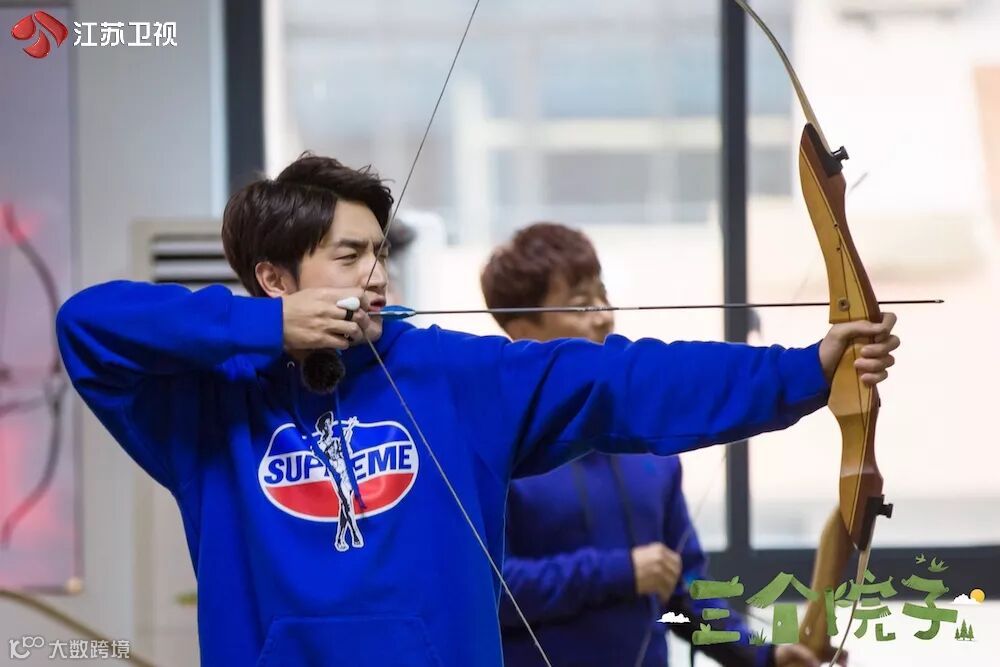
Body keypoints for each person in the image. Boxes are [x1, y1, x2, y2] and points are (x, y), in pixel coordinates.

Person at [54, 154, 898, 666]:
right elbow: (87, 325)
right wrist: (264, 329)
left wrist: (806, 370)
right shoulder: (211, 403)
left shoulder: (451, 374)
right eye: (348, 255)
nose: (375, 275)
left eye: (379, 253)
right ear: (275, 278)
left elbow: (626, 380)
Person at [484, 223, 825, 667]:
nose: (603, 316)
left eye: (604, 296)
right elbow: (487, 589)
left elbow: (683, 591)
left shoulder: (648, 452)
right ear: (521, 328)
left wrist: (765, 656)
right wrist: (621, 571)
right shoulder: (498, 448)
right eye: (581, 302)